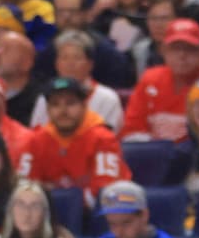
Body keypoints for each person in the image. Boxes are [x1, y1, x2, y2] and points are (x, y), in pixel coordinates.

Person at [122, 19, 199, 144]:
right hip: (153, 158)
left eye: (190, 49)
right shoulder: (149, 80)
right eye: (175, 48)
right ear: (163, 51)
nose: (182, 55)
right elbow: (131, 132)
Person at [25, 76, 132, 206]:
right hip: (49, 215)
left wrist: (61, 200)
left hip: (97, 216)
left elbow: (106, 191)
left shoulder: (103, 138)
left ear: (84, 106)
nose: (63, 111)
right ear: (47, 109)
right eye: (55, 104)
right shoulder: (37, 140)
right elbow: (26, 186)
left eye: (70, 103)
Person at [30, 32, 125, 133]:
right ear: (56, 64)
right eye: (64, 58)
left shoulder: (107, 98)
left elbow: (109, 137)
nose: (70, 64)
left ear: (90, 64)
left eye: (77, 58)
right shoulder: (45, 97)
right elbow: (36, 133)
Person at [49, 0, 137, 89]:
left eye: (72, 11)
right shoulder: (49, 49)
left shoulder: (106, 52)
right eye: (60, 12)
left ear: (85, 14)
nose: (66, 17)